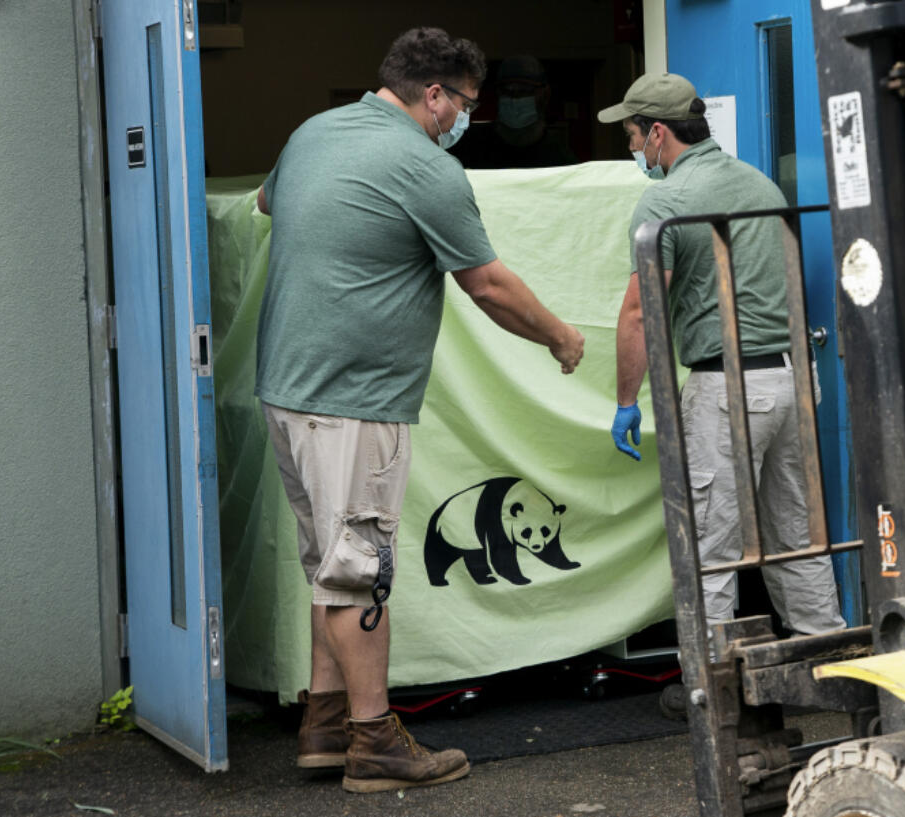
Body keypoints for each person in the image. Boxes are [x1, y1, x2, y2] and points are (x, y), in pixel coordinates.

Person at [254, 27, 584, 793]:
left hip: (287, 390)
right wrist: (562, 338)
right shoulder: (423, 164)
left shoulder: (313, 133)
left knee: (326, 566)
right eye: (465, 103)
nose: (466, 118)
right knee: (360, 571)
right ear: (433, 93)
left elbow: (270, 202)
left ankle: (325, 722)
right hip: (354, 401)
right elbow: (489, 286)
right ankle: (375, 742)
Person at [598, 73, 846, 646]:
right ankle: (828, 658)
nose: (632, 147)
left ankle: (712, 688)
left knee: (710, 550)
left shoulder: (667, 199)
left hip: (728, 387)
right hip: (794, 380)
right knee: (799, 537)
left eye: (633, 135)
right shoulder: (760, 184)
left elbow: (640, 312)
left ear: (659, 131)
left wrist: (625, 401)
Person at [450, 54, 578, 169]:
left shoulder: (559, 159)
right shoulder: (471, 146)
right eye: (507, 90)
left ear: (545, 95)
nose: (514, 98)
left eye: (525, 90)